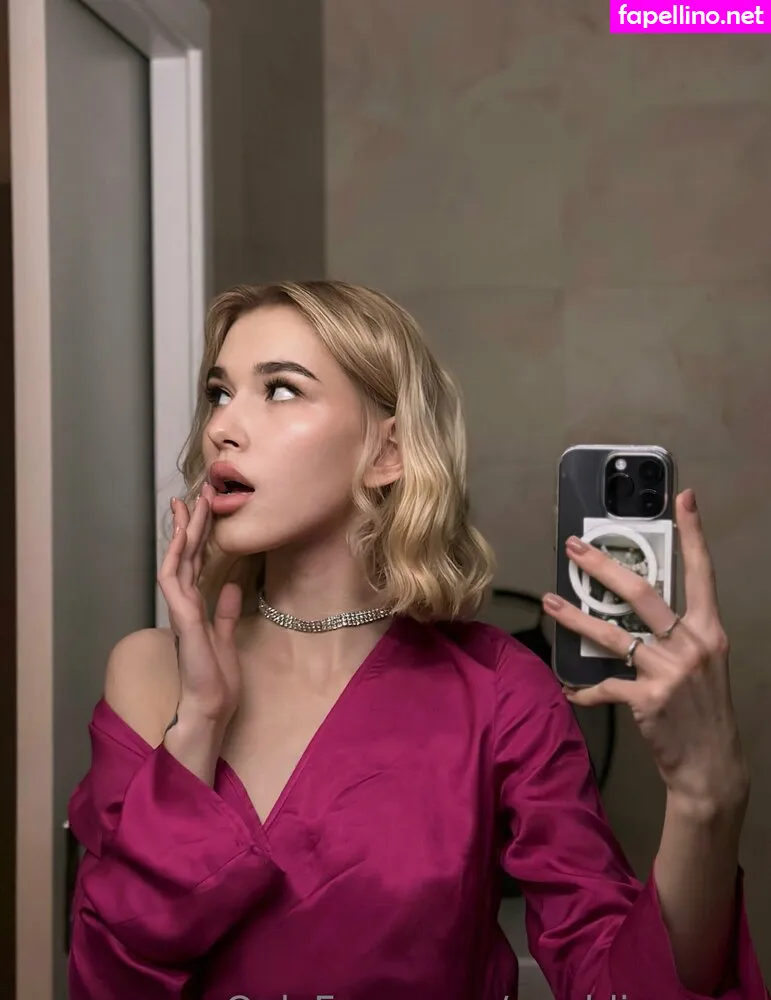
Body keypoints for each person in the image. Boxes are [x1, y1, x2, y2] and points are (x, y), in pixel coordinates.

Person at [67, 281, 768, 1000]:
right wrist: (199, 726)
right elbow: (108, 980)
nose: (222, 426)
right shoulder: (151, 673)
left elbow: (615, 984)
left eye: (279, 390)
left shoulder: (497, 690)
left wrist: (705, 796)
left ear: (388, 452)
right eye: (219, 392)